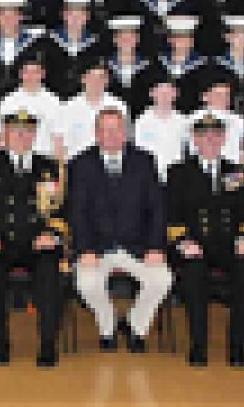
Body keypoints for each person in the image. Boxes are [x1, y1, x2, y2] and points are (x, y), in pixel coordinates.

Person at [0, 109, 65, 366]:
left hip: (37, 243)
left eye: (28, 131)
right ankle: (0, 342)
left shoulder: (49, 167)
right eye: (16, 131)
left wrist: (52, 233)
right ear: (5, 135)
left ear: (34, 135)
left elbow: (63, 209)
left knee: (50, 270)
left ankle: (48, 344)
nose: (22, 136)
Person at [70, 106, 172, 353]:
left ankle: (136, 326)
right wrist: (84, 249)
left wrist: (156, 247)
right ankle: (108, 325)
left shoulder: (145, 161)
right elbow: (77, 212)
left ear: (125, 133)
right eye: (105, 130)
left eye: (116, 130)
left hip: (137, 246)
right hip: (97, 248)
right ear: (96, 133)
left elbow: (157, 209)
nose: (111, 135)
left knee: (162, 280)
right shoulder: (80, 164)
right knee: (87, 283)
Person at [167, 112, 244, 367]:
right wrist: (183, 242)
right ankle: (198, 346)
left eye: (216, 135)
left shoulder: (236, 173)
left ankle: (238, 347)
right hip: (194, 244)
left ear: (223, 139)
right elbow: (171, 215)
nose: (210, 140)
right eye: (204, 135)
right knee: (194, 274)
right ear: (195, 139)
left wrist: (242, 237)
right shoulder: (179, 172)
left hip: (229, 244)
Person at [134, 75, 187, 182]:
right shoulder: (142, 122)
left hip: (177, 177)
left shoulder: (184, 122)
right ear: (152, 93)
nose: (164, 96)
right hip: (149, 175)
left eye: (168, 92)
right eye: (160, 92)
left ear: (175, 94)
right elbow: (138, 151)